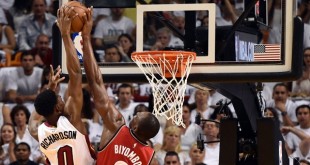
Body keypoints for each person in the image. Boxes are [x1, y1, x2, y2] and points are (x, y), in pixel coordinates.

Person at [80, 7, 160, 164]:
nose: (134, 115)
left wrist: (86, 37)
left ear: (135, 127)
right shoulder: (151, 159)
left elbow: (96, 82)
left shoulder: (116, 126)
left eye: (136, 116)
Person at [28, 7, 96, 164]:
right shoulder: (71, 119)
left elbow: (33, 120)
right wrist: (66, 35)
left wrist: (49, 91)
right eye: (59, 98)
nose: (62, 98)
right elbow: (76, 74)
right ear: (57, 108)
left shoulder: (39, 132)